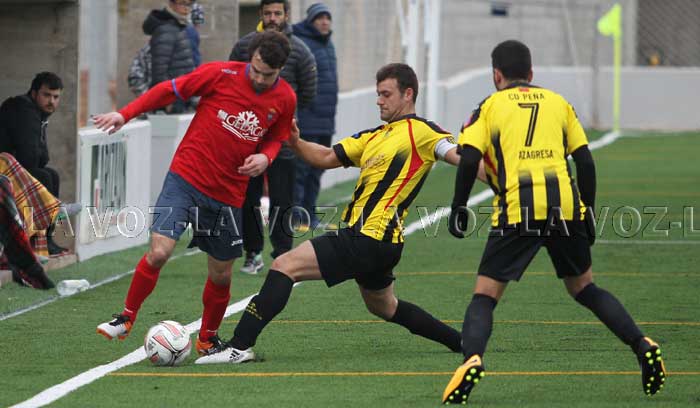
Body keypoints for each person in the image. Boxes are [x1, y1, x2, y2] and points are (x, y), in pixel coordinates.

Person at [441, 40, 666, 404]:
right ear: (531, 73)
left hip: (519, 208)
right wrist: (588, 212)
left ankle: (472, 359)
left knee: (485, 296)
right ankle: (642, 345)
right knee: (585, 288)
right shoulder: (559, 102)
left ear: (496, 75)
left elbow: (469, 159)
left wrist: (458, 207)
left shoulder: (489, 106)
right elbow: (585, 162)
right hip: (566, 206)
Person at [195, 63, 463, 365]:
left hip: (367, 237)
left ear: (408, 94)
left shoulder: (423, 132)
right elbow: (325, 156)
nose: (379, 100)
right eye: (378, 94)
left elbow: (456, 155)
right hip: (381, 245)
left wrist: (490, 168)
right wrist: (294, 141)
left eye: (386, 94)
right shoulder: (374, 136)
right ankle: (461, 340)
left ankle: (238, 346)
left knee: (285, 265)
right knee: (384, 307)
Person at [93, 31, 297, 358]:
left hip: (228, 195)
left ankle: (207, 339)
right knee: (159, 252)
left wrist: (266, 157)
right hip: (185, 179)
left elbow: (277, 136)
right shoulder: (220, 73)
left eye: (268, 75)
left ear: (281, 70)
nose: (260, 79)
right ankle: (126, 317)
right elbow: (167, 90)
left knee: (221, 274)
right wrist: (125, 114)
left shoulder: (285, 98)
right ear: (251, 57)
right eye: (256, 70)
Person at [229, 0, 317, 275]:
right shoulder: (244, 46)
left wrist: (284, 115)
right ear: (260, 14)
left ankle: (283, 255)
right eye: (267, 13)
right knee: (248, 199)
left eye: (277, 13)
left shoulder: (300, 51)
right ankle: (252, 253)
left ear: (286, 15)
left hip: (283, 141)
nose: (272, 18)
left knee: (283, 200)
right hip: (247, 137)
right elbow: (230, 82)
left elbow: (307, 93)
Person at [0, 72, 68, 255]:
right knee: (44, 176)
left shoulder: (36, 112)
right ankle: (39, 241)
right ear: (34, 93)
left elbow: (41, 157)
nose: (51, 101)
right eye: (46, 95)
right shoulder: (25, 111)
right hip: (3, 172)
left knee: (50, 175)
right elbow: (29, 158)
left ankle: (46, 239)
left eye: (56, 97)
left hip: (8, 169)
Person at [292, 3, 338, 230]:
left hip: (326, 121)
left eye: (327, 18)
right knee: (300, 172)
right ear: (311, 21)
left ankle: (310, 216)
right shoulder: (302, 43)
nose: (324, 22)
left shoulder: (328, 44)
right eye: (320, 18)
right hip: (308, 121)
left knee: (317, 170)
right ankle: (296, 217)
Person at [143, 0, 197, 113]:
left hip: (181, 93)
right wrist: (167, 99)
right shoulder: (166, 29)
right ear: (171, 4)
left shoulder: (179, 26)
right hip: (172, 98)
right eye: (182, 3)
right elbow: (159, 69)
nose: (186, 8)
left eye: (189, 4)